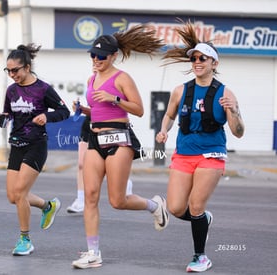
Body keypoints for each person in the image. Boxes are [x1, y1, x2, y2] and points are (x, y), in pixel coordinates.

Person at [71, 25, 169, 269]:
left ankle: (155, 206)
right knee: (90, 196)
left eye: (101, 56)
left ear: (113, 56)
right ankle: (93, 252)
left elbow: (138, 109)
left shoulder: (122, 78)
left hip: (119, 139)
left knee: (118, 200)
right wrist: (84, 110)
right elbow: (98, 110)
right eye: (93, 55)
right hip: (95, 138)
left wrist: (115, 99)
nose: (96, 60)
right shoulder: (91, 79)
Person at [156, 21, 245, 272]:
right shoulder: (180, 90)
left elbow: (238, 132)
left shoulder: (225, 93)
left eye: (203, 58)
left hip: (211, 154)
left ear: (214, 64)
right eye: (194, 58)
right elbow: (170, 116)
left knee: (195, 205)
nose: (197, 62)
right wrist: (164, 130)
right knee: (175, 207)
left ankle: (200, 257)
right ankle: (203, 220)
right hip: (183, 154)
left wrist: (235, 111)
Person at [0, 43, 70, 256]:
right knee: (13, 196)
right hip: (17, 145)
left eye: (16, 70)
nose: (12, 75)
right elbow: (7, 114)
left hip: (37, 145)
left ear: (27, 67)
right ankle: (47, 206)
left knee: (20, 193)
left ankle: (25, 240)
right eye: (8, 70)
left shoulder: (43, 89)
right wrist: (2, 119)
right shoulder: (11, 91)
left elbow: (63, 111)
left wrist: (47, 116)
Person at [66, 110, 133, 214]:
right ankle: (80, 200)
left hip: (109, 124)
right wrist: (80, 108)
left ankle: (125, 182)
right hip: (90, 123)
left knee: (109, 163)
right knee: (81, 164)